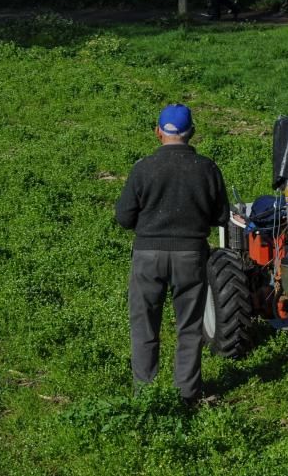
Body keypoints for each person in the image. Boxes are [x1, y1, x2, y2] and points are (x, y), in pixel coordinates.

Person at [115, 104, 228, 406]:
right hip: (190, 256)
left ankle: (146, 395)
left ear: (158, 132)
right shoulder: (207, 169)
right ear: (192, 132)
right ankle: (187, 395)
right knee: (189, 327)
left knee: (144, 325)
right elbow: (221, 216)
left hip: (148, 256)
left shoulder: (143, 168)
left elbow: (124, 218)